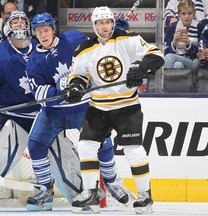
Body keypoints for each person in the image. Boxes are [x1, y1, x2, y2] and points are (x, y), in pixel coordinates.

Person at [0, 10, 86, 212]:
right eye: (15, 22)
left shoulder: (41, 47)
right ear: (7, 28)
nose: (20, 25)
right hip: (10, 117)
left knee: (62, 154)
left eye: (24, 22)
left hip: (44, 114)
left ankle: (76, 196)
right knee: (2, 156)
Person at [63, 6, 164, 214]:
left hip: (127, 106)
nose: (105, 26)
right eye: (100, 23)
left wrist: (141, 68)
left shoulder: (127, 39)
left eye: (108, 22)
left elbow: (156, 55)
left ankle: (145, 196)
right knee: (86, 146)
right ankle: (91, 192)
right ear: (94, 26)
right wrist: (75, 87)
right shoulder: (84, 49)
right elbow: (79, 76)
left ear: (112, 22)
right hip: (99, 106)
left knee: (133, 150)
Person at [25, 12, 129, 212]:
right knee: (36, 145)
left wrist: (116, 33)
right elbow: (40, 94)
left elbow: (97, 48)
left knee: (104, 140)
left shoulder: (73, 39)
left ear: (53, 29)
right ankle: (45, 189)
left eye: (46, 30)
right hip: (54, 113)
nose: (43, 35)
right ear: (35, 34)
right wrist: (61, 91)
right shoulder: (34, 61)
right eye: (39, 32)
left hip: (83, 107)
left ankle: (111, 181)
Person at [164, 0, 200, 74]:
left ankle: (165, 84)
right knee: (178, 65)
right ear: (179, 15)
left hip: (192, 61)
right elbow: (165, 51)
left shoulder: (199, 27)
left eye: (189, 13)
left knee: (169, 57)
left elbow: (199, 54)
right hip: (177, 60)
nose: (186, 16)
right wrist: (174, 43)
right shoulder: (172, 28)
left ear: (194, 14)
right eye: (183, 13)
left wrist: (188, 44)